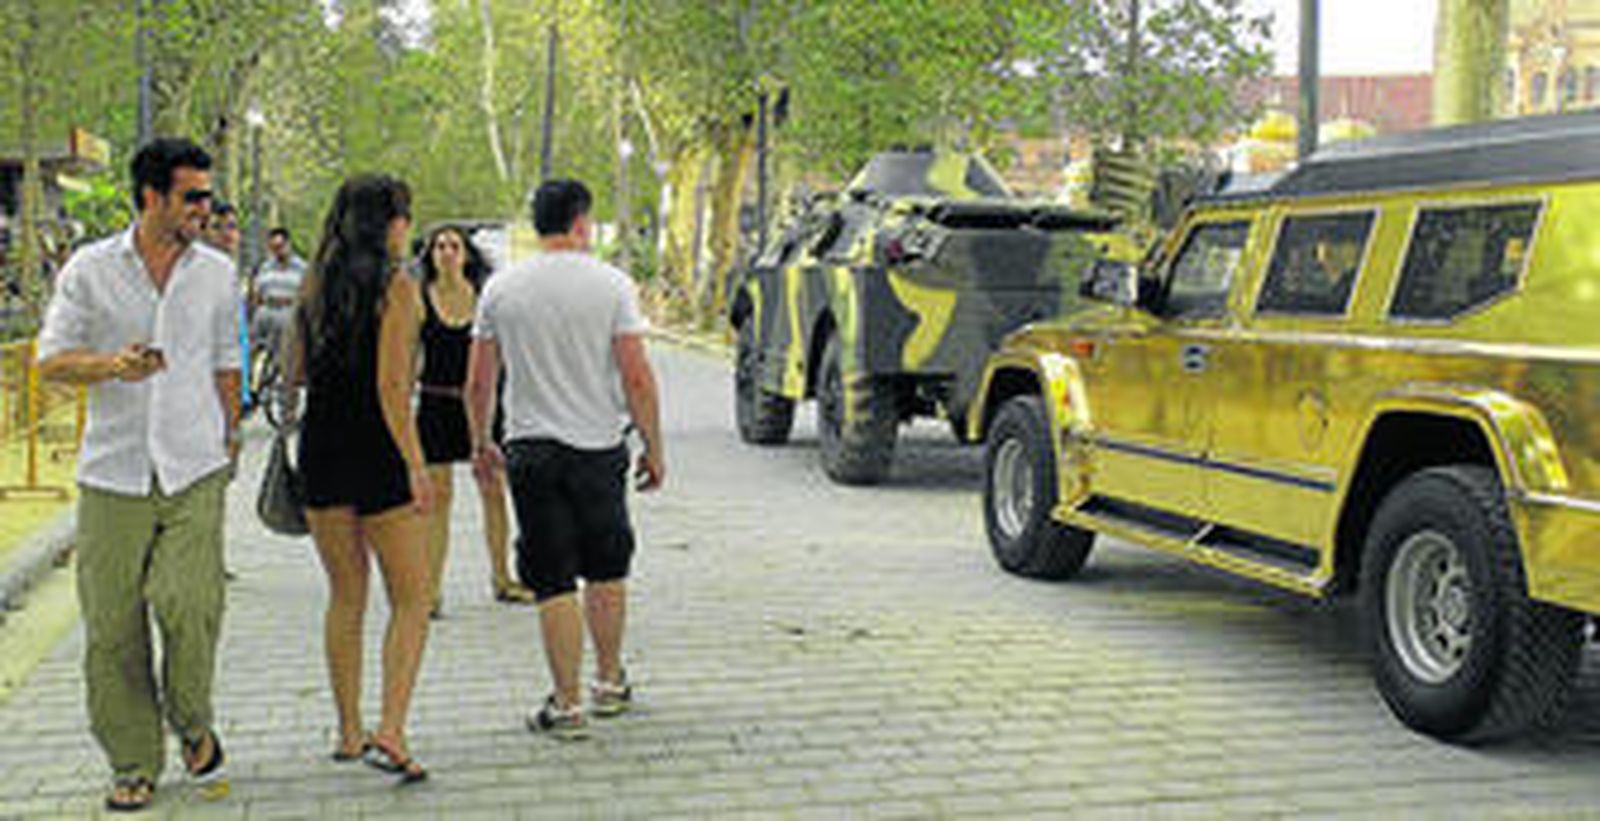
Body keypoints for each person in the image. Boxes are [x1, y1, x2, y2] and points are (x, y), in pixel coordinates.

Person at [36, 138, 238, 812]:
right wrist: (110, 366)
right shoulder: (90, 270)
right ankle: (132, 760)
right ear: (151, 197)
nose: (205, 209)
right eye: (192, 196)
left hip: (195, 464)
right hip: (113, 470)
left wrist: (232, 438)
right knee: (112, 626)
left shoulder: (215, 272)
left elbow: (223, 362)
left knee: (188, 599)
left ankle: (192, 718)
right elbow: (51, 360)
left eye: (208, 196)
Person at [467, 179, 664, 740]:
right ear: (582, 222)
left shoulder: (502, 289)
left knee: (552, 577)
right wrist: (653, 445)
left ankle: (568, 703)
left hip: (531, 448)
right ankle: (608, 682)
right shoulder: (613, 285)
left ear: (536, 223)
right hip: (599, 447)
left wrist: (482, 441)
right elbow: (636, 376)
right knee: (606, 565)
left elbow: (480, 380)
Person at [285, 174, 434, 783]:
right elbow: (393, 387)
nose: (408, 228)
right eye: (404, 216)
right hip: (379, 451)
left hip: (322, 446)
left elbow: (293, 372)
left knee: (346, 594)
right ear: (388, 222)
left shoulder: (312, 282)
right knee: (413, 594)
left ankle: (348, 731)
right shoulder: (396, 287)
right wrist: (417, 464)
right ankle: (391, 729)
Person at [415, 225, 535, 616]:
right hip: (435, 404)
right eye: (439, 246)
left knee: (493, 489)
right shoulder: (419, 298)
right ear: (431, 255)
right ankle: (430, 590)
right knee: (438, 499)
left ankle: (502, 578)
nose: (447, 252)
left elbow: (507, 351)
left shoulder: (485, 298)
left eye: (454, 246)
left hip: (481, 405)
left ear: (466, 254)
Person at [250, 226, 304, 367]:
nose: (277, 251)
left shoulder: (302, 268)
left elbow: (305, 297)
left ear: (288, 245)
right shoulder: (265, 267)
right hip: (267, 312)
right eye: (274, 248)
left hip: (289, 314)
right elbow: (256, 294)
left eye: (280, 246)